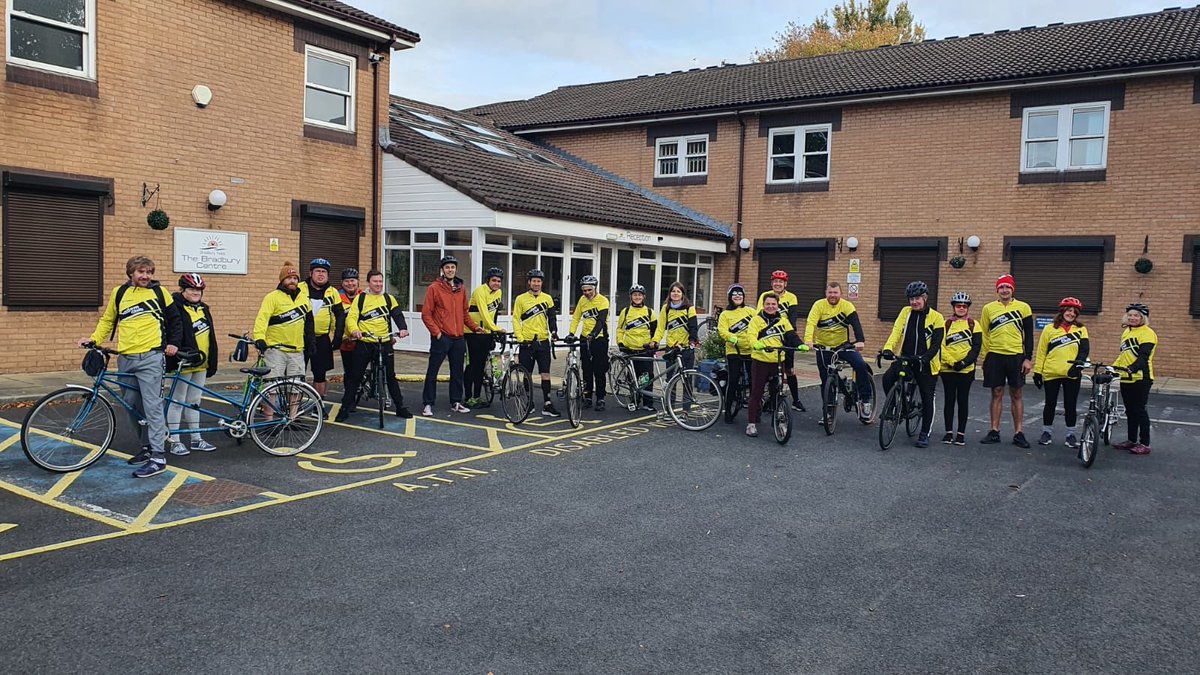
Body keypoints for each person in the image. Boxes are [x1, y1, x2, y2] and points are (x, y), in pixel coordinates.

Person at [79, 255, 182, 478]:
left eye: (149, 272)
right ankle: (145, 447)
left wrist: (173, 343)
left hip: (152, 357)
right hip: (125, 357)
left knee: (153, 405)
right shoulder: (120, 293)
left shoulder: (159, 293)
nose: (145, 276)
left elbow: (175, 320)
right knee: (131, 405)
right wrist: (95, 339)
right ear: (131, 273)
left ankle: (158, 456)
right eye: (141, 272)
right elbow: (108, 320)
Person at [336, 270, 413, 421]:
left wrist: (403, 328)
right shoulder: (361, 298)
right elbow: (351, 318)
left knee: (391, 376)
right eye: (375, 281)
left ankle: (400, 407)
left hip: (384, 342)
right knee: (355, 376)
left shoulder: (388, 298)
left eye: (380, 281)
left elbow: (397, 315)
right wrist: (355, 330)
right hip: (365, 342)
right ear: (368, 283)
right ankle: (344, 408)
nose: (378, 284)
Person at [881, 281, 945, 448]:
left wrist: (925, 358)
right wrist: (888, 348)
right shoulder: (905, 312)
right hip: (907, 358)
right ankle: (896, 408)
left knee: (926, 396)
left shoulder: (936, 318)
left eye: (917, 298)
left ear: (925, 298)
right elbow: (896, 331)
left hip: (926, 363)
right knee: (887, 378)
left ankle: (924, 433)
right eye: (911, 299)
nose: (914, 302)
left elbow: (937, 344)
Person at [420, 255, 482, 416]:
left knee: (457, 373)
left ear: (456, 269)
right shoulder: (434, 288)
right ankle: (428, 404)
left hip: (458, 337)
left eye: (452, 267)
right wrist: (437, 333)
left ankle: (456, 402)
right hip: (442, 337)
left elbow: (464, 313)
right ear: (442, 270)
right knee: (433, 371)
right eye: (447, 267)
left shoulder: (461, 288)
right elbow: (426, 314)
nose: (450, 270)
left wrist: (475, 328)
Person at [979, 273, 1034, 448]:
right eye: (1001, 287)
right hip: (995, 356)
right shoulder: (988, 309)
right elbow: (984, 335)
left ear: (1012, 289)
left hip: (1016, 356)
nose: (1004, 290)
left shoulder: (1023, 307)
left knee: (1016, 393)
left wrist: (1028, 358)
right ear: (997, 290)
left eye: (1007, 287)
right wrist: (985, 357)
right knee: (996, 392)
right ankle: (994, 431)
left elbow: (1029, 335)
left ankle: (1019, 432)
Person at [166, 273, 219, 456]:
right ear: (183, 290)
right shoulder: (175, 308)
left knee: (195, 401)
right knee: (177, 402)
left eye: (199, 289)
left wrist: (212, 360)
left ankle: (196, 439)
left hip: (201, 363)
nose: (196, 292)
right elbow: (173, 332)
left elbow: (210, 336)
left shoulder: (204, 309)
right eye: (191, 289)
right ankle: (175, 441)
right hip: (183, 361)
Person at [804, 281, 871, 416]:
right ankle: (828, 412)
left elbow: (856, 324)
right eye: (830, 292)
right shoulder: (818, 305)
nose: (832, 295)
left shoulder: (847, 306)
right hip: (824, 348)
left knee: (860, 365)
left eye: (835, 293)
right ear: (826, 293)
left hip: (843, 346)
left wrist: (860, 341)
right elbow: (811, 323)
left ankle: (865, 400)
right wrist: (808, 340)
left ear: (840, 293)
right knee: (825, 380)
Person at [1033, 297, 1090, 448]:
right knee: (1049, 404)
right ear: (1062, 311)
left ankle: (1070, 434)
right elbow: (1041, 351)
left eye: (1074, 312)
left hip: (1071, 374)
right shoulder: (1050, 328)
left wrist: (1077, 366)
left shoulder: (1081, 329)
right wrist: (1038, 371)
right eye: (1068, 310)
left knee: (1070, 405)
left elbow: (1084, 351)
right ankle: (1046, 432)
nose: (1071, 314)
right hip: (1052, 372)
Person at [739, 293, 794, 437]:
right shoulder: (756, 320)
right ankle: (751, 424)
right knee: (756, 392)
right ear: (763, 305)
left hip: (777, 361)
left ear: (778, 305)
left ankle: (779, 421)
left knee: (777, 392)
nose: (771, 307)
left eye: (773, 304)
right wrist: (756, 344)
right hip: (761, 361)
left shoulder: (782, 320)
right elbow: (751, 335)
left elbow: (791, 335)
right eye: (768, 304)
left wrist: (800, 345)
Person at [253, 261, 315, 383]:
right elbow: (262, 318)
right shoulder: (272, 297)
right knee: (271, 386)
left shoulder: (304, 299)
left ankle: (293, 404)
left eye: (295, 278)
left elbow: (309, 324)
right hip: (275, 350)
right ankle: (269, 403)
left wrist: (311, 342)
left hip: (297, 351)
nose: (292, 281)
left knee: (296, 387)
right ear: (282, 280)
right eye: (289, 278)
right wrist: (259, 338)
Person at [512, 268, 560, 417]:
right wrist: (520, 337)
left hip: (542, 341)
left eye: (539, 281)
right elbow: (515, 319)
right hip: (526, 342)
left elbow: (551, 318)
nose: (536, 284)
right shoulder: (520, 299)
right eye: (534, 281)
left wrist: (554, 332)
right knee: (527, 374)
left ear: (541, 283)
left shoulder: (547, 298)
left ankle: (547, 403)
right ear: (529, 282)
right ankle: (529, 402)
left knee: (545, 374)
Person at [938, 291, 982, 446]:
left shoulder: (974, 324)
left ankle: (961, 434)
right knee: (949, 400)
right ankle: (948, 432)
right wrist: (951, 362)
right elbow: (940, 346)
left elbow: (976, 348)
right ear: (954, 307)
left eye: (964, 306)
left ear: (968, 308)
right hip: (948, 370)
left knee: (963, 401)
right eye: (958, 306)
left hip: (966, 370)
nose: (961, 308)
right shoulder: (945, 324)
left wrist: (963, 363)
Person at [1113, 302, 1157, 455]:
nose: (1132, 318)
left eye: (1136, 315)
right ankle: (1131, 440)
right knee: (1130, 411)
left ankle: (1144, 443)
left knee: (1140, 410)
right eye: (1130, 315)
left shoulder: (1148, 333)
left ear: (1142, 318)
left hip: (1141, 378)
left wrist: (1132, 368)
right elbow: (1123, 355)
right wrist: (1113, 369)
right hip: (1126, 378)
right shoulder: (1127, 332)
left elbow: (1143, 357)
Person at [758, 270, 804, 411]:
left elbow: (792, 317)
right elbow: (759, 315)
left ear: (785, 283)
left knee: (789, 370)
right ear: (772, 283)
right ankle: (768, 399)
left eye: (781, 282)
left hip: (785, 335)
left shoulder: (791, 297)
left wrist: (790, 337)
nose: (778, 284)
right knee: (770, 370)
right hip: (769, 336)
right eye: (775, 281)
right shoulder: (764, 296)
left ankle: (796, 400)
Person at [300, 258, 344, 398]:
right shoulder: (300, 288)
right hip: (301, 338)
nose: (321, 274)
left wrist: (337, 337)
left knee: (320, 375)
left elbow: (340, 315)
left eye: (324, 272)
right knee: (297, 374)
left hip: (322, 339)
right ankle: (294, 407)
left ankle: (317, 404)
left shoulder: (333, 292)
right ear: (310, 273)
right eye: (317, 271)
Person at [568, 275, 610, 411]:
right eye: (584, 290)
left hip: (599, 339)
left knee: (599, 369)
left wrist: (594, 333)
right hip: (585, 338)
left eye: (589, 290)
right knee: (586, 369)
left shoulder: (603, 301)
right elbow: (576, 318)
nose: (586, 293)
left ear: (594, 288)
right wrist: (571, 333)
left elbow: (601, 320)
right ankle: (588, 397)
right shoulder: (582, 300)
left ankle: (601, 398)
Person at [465, 267, 505, 408]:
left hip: (486, 332)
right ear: (487, 280)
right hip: (472, 332)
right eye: (493, 280)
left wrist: (493, 331)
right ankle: (468, 397)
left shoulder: (498, 293)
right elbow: (483, 313)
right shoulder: (479, 291)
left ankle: (477, 396)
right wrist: (496, 329)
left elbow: (493, 315)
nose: (496, 283)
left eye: (499, 281)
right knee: (472, 366)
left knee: (481, 366)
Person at [717, 283, 756, 424]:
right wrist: (730, 337)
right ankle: (728, 410)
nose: (737, 296)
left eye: (740, 294)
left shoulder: (751, 312)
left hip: (751, 350)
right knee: (733, 380)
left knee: (753, 381)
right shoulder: (725, 314)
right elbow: (722, 330)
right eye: (734, 294)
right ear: (730, 297)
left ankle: (755, 410)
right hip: (734, 350)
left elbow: (759, 324)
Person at [616, 283, 657, 409]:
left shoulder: (650, 312)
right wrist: (620, 343)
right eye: (635, 295)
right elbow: (620, 329)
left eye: (639, 295)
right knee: (632, 378)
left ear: (643, 297)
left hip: (645, 350)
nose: (637, 297)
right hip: (630, 350)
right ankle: (633, 399)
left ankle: (647, 403)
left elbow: (655, 331)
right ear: (631, 297)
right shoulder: (626, 311)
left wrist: (654, 343)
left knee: (647, 376)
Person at [651, 281, 699, 369]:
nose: (675, 293)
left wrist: (692, 340)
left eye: (678, 291)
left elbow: (693, 327)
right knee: (671, 377)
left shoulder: (689, 308)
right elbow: (660, 328)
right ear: (670, 293)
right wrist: (655, 341)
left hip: (686, 347)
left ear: (682, 294)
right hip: (671, 347)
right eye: (673, 291)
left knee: (687, 377)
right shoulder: (666, 308)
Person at [336, 268, 360, 376]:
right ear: (342, 283)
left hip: (363, 340)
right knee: (349, 372)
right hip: (346, 342)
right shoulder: (336, 297)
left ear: (357, 282)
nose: (350, 283)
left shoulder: (364, 296)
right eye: (346, 281)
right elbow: (333, 320)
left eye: (352, 280)